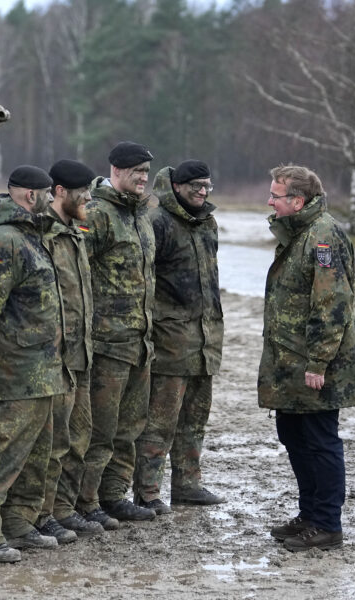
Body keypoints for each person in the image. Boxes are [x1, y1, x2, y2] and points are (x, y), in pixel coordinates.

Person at [0, 165, 70, 563]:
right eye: (46, 194)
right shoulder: (5, 241)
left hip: (41, 370)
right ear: (29, 196)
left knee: (37, 453)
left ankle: (20, 523)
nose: (53, 201)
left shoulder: (32, 237)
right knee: (2, 452)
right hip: (12, 370)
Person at [260, 164, 355, 552]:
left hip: (315, 365)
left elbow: (331, 305)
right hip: (291, 362)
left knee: (319, 440)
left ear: (298, 200)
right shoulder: (298, 233)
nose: (270, 201)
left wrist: (318, 363)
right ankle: (309, 515)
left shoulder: (323, 236)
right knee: (293, 435)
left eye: (276, 195)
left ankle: (327, 524)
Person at [132, 160, 225, 515]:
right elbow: (143, 280)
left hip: (206, 340)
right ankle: (148, 492)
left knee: (195, 420)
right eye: (195, 186)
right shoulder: (157, 221)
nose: (201, 192)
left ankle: (188, 485)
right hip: (170, 341)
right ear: (176, 187)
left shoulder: (208, 223)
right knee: (160, 423)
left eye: (207, 186)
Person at [78, 141, 157, 525]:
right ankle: (86, 501)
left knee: (130, 428)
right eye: (135, 171)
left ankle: (114, 495)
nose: (142, 178)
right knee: (100, 430)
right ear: (115, 170)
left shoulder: (140, 216)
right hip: (107, 343)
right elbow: (76, 274)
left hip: (139, 342)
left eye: (146, 171)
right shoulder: (98, 214)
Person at [33, 159, 105, 543]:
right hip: (55, 358)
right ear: (60, 192)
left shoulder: (75, 233)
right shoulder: (43, 235)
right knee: (54, 442)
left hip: (81, 354)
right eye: (83, 193)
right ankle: (42, 515)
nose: (90, 199)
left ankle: (64, 509)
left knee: (79, 437)